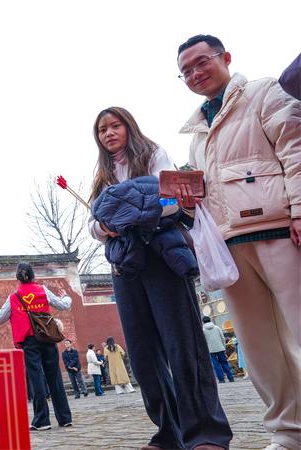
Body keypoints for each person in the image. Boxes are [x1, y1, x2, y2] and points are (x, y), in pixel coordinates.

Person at [175, 34, 301, 450]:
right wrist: (190, 201)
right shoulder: (195, 132)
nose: (195, 74)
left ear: (225, 57)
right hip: (228, 246)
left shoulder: (266, 93)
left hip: (281, 229)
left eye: (201, 62)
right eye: (186, 71)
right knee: (260, 349)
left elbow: (295, 148)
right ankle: (288, 433)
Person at [89, 107, 232, 450]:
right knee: (142, 353)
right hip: (125, 262)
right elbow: (94, 223)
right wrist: (108, 224)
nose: (108, 133)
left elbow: (169, 200)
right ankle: (169, 432)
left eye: (114, 125)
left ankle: (206, 432)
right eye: (102, 129)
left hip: (161, 254)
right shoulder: (102, 174)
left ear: (128, 126)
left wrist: (124, 212)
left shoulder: (154, 155)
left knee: (182, 343)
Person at [0, 263, 72, 431]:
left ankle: (42, 420)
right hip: (47, 337)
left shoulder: (14, 297)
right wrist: (66, 296)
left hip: (29, 342)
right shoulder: (43, 291)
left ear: (18, 278)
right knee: (55, 378)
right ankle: (65, 418)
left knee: (35, 379)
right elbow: (64, 305)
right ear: (33, 275)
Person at [202, 317, 235, 383]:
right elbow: (222, 337)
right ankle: (231, 378)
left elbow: (203, 341)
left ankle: (221, 379)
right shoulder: (216, 327)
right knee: (224, 363)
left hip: (210, 350)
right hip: (220, 348)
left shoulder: (203, 330)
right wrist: (224, 347)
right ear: (210, 320)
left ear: (203, 322)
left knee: (216, 365)